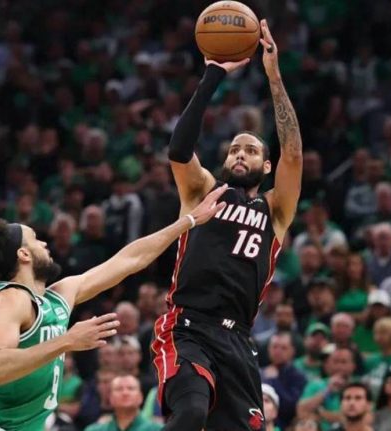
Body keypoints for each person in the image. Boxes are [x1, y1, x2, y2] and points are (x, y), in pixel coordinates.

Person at [0, 185, 227, 430]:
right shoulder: (11, 298)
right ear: (23, 254)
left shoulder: (57, 296)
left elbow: (130, 259)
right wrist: (67, 341)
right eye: (36, 239)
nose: (45, 243)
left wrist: (188, 221)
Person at [156, 20, 302, 431]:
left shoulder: (275, 209)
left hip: (238, 339)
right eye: (234, 148)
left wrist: (274, 77)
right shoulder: (204, 190)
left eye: (251, 150)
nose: (240, 153)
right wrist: (213, 75)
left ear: (265, 165)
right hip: (188, 326)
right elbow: (179, 149)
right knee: (190, 411)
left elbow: (293, 155)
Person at [84, 375, 162, 431]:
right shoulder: (94, 429)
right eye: (119, 389)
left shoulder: (158, 429)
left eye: (131, 388)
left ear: (140, 397)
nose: (125, 393)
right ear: (111, 398)